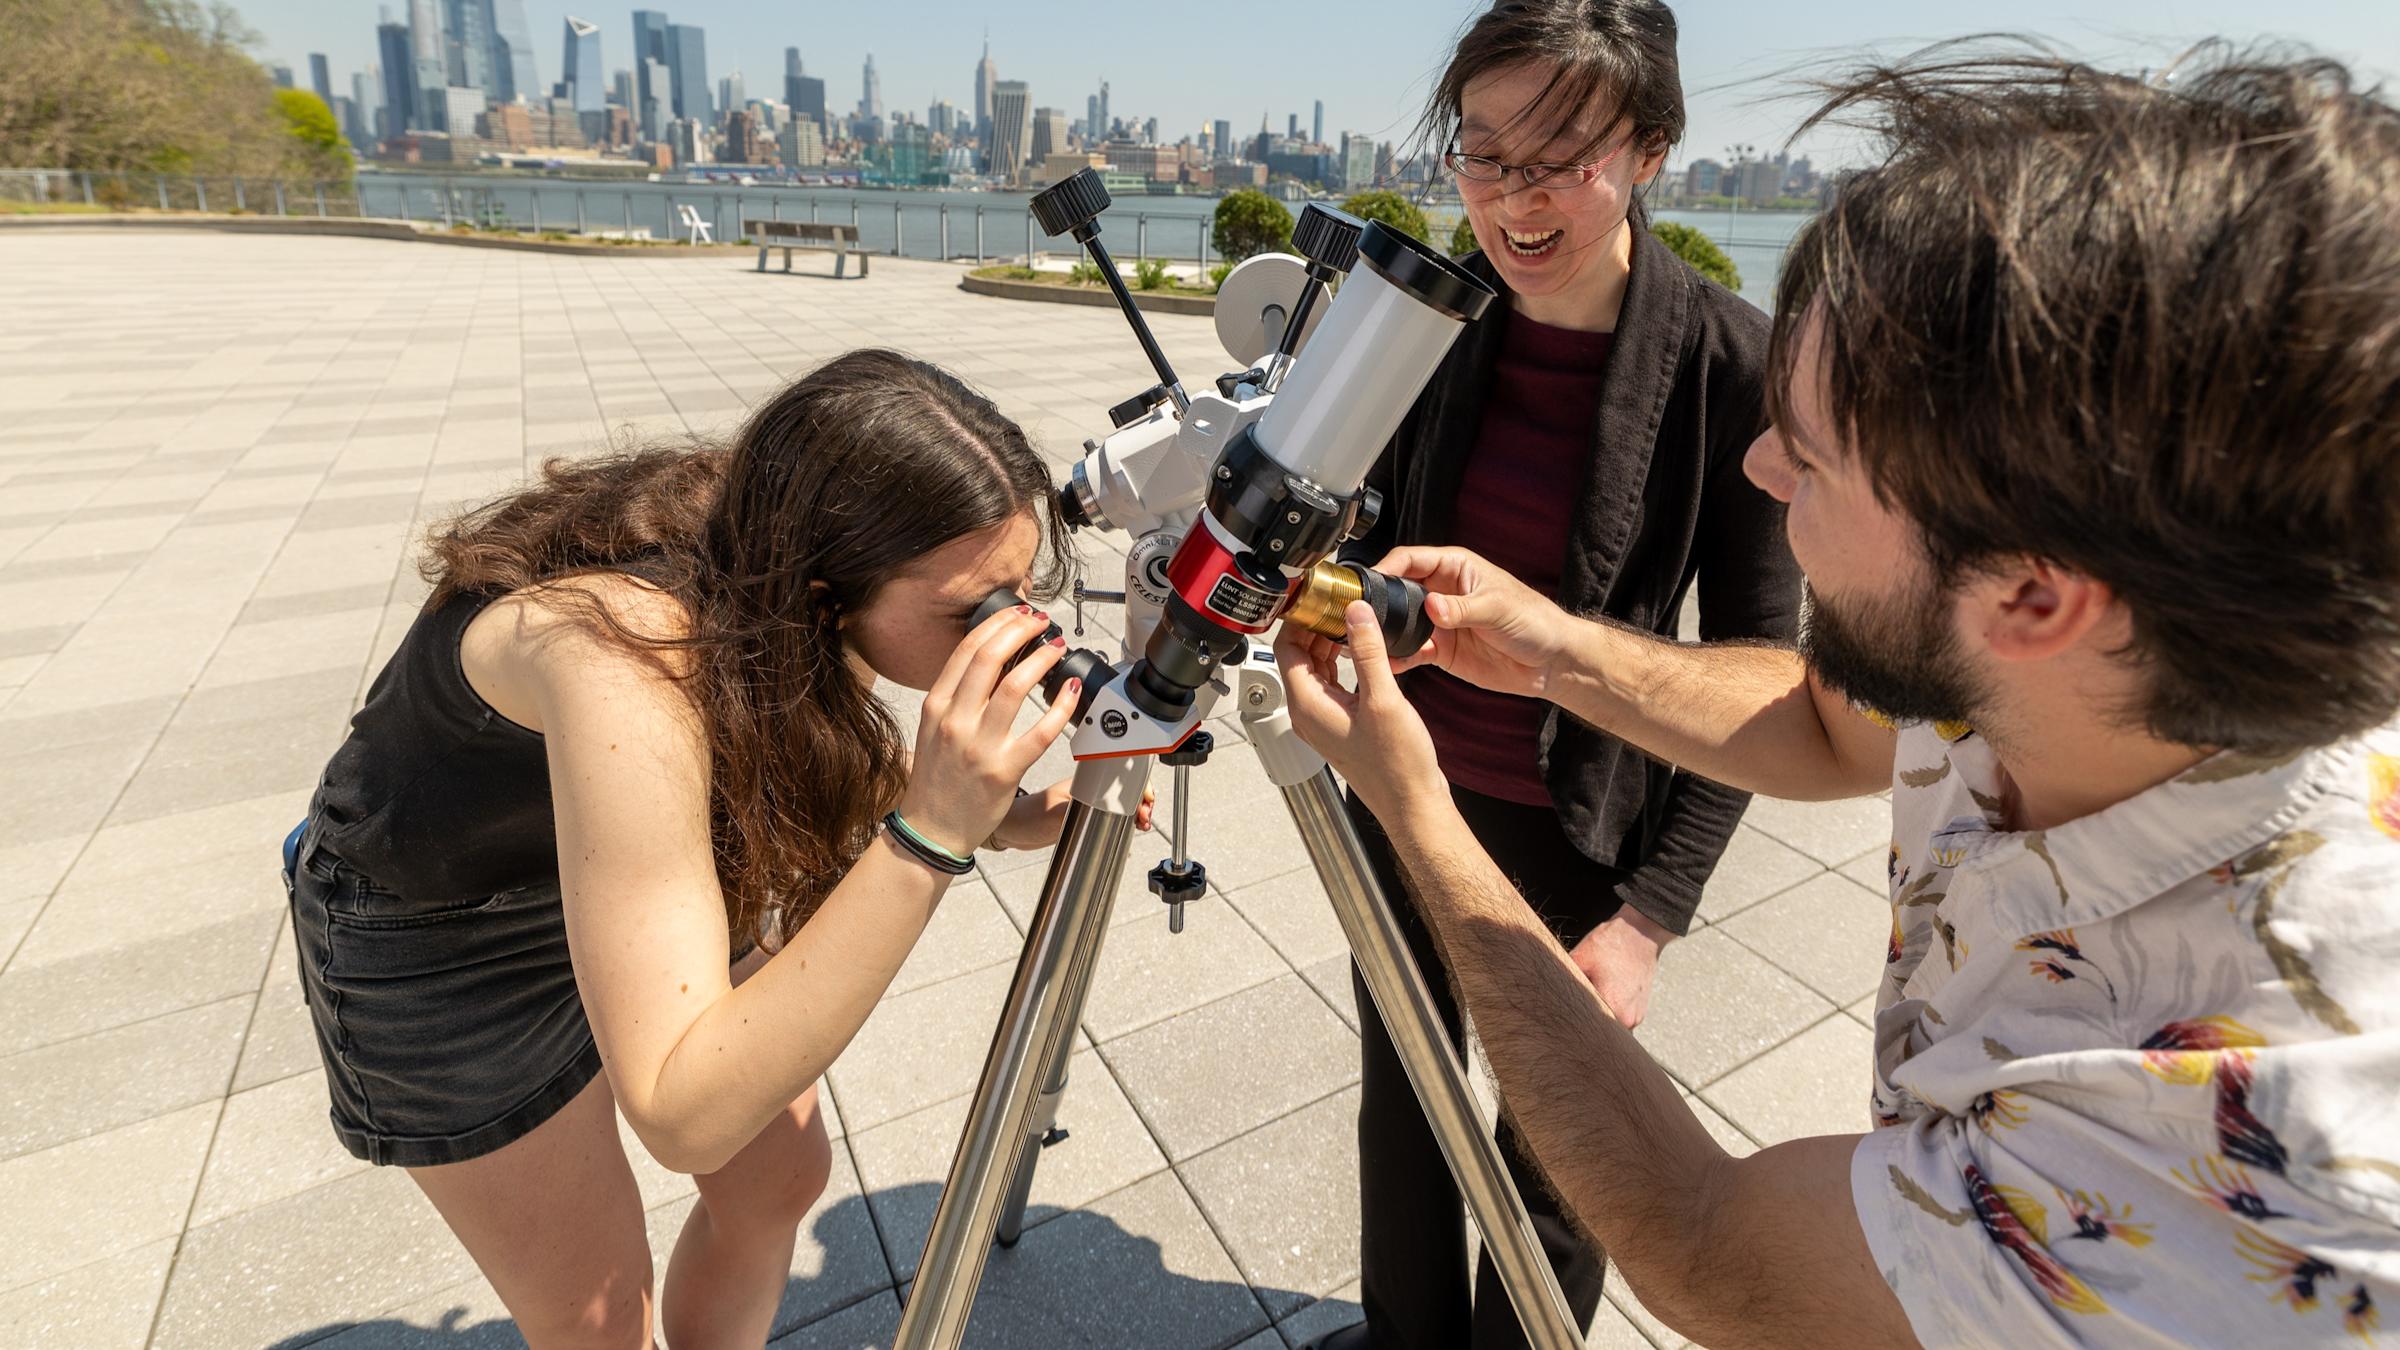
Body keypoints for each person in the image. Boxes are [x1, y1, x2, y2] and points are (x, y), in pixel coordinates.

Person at [1283, 43, 2400, 1348]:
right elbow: (1822, 718)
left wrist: (1418, 817)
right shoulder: (2052, 668)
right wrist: (1546, 644)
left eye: (1808, 458)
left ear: (2034, 595)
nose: (1758, 467)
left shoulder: (2232, 1156)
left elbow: (1708, 1243)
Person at [280, 349, 1150, 1348]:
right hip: (443, 934)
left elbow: (810, 740)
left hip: (638, 854)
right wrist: (933, 835)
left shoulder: (784, 557)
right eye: (972, 612)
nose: (1019, 635)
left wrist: (1007, 812)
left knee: (782, 1180)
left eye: (1019, 592)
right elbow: (682, 1112)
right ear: (827, 591)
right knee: (596, 1323)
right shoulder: (619, 652)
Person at [1331, 1, 1800, 1343]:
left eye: (1558, 158)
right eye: (1482, 156)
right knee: (1406, 1095)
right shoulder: (1429, 323)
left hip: (1583, 825)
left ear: (1649, 149)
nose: (1513, 198)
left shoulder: (1730, 360)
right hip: (1405, 787)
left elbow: (1761, 667)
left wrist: (1650, 915)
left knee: (1558, 1150)